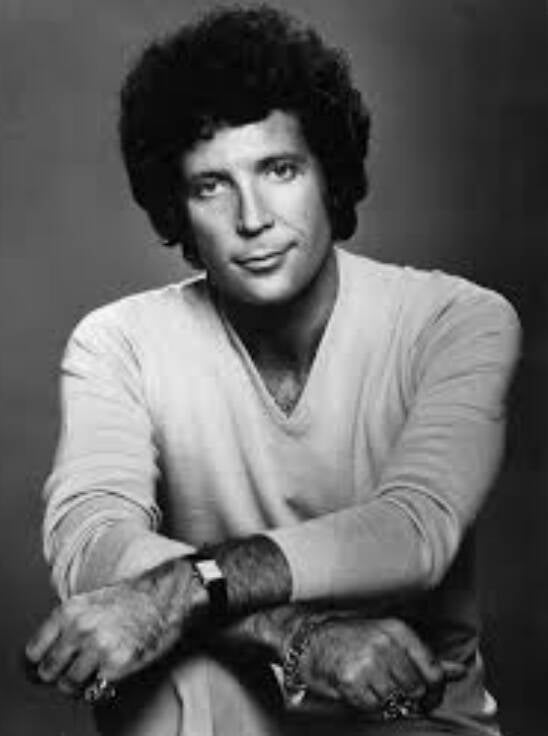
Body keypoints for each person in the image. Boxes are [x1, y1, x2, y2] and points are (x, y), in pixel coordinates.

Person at [25, 6, 521, 735]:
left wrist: (187, 589)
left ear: (330, 177)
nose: (252, 217)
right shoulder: (118, 341)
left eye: (279, 169)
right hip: (219, 707)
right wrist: (297, 637)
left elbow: (413, 530)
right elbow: (90, 543)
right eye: (210, 186)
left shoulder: (455, 319)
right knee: (169, 681)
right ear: (178, 208)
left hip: (407, 712)